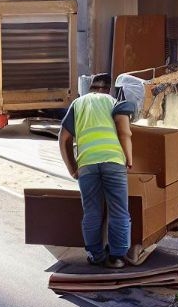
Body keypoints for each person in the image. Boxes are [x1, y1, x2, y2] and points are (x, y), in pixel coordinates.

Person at [58, 73, 135, 269]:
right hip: (113, 161)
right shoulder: (113, 102)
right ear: (108, 89)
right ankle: (117, 257)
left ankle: (96, 254)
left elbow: (63, 138)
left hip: (87, 164)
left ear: (90, 87)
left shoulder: (78, 104)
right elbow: (124, 132)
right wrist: (128, 158)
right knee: (119, 211)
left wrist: (72, 168)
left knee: (92, 211)